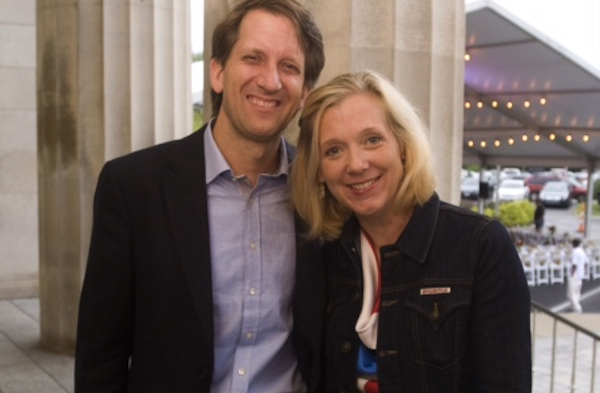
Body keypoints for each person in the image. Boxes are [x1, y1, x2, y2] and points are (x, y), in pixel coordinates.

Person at [74, 1, 326, 392]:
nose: (271, 81)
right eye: (253, 58)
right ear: (219, 72)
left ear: (305, 92)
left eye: (289, 67)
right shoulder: (133, 187)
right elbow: (100, 356)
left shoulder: (321, 191)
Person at [291, 70, 532, 392]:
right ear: (318, 171)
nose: (356, 164)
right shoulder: (324, 255)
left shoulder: (480, 246)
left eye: (372, 139)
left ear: (403, 145)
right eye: (334, 150)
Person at [567, 238, 589, 313]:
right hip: (580, 274)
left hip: (575, 274)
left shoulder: (575, 252)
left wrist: (572, 273)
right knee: (577, 292)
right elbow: (586, 262)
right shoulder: (582, 251)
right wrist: (583, 270)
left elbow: (574, 264)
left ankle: (577, 307)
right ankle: (573, 306)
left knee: (571, 292)